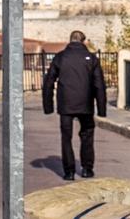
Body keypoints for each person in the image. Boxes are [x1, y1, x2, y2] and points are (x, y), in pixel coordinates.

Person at [42, 29, 108, 178]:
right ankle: (87, 168)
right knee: (87, 135)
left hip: (66, 104)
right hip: (86, 103)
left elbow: (49, 82)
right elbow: (99, 85)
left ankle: (69, 171)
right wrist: (101, 109)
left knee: (66, 137)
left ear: (70, 40)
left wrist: (48, 106)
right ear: (83, 41)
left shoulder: (60, 57)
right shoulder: (91, 58)